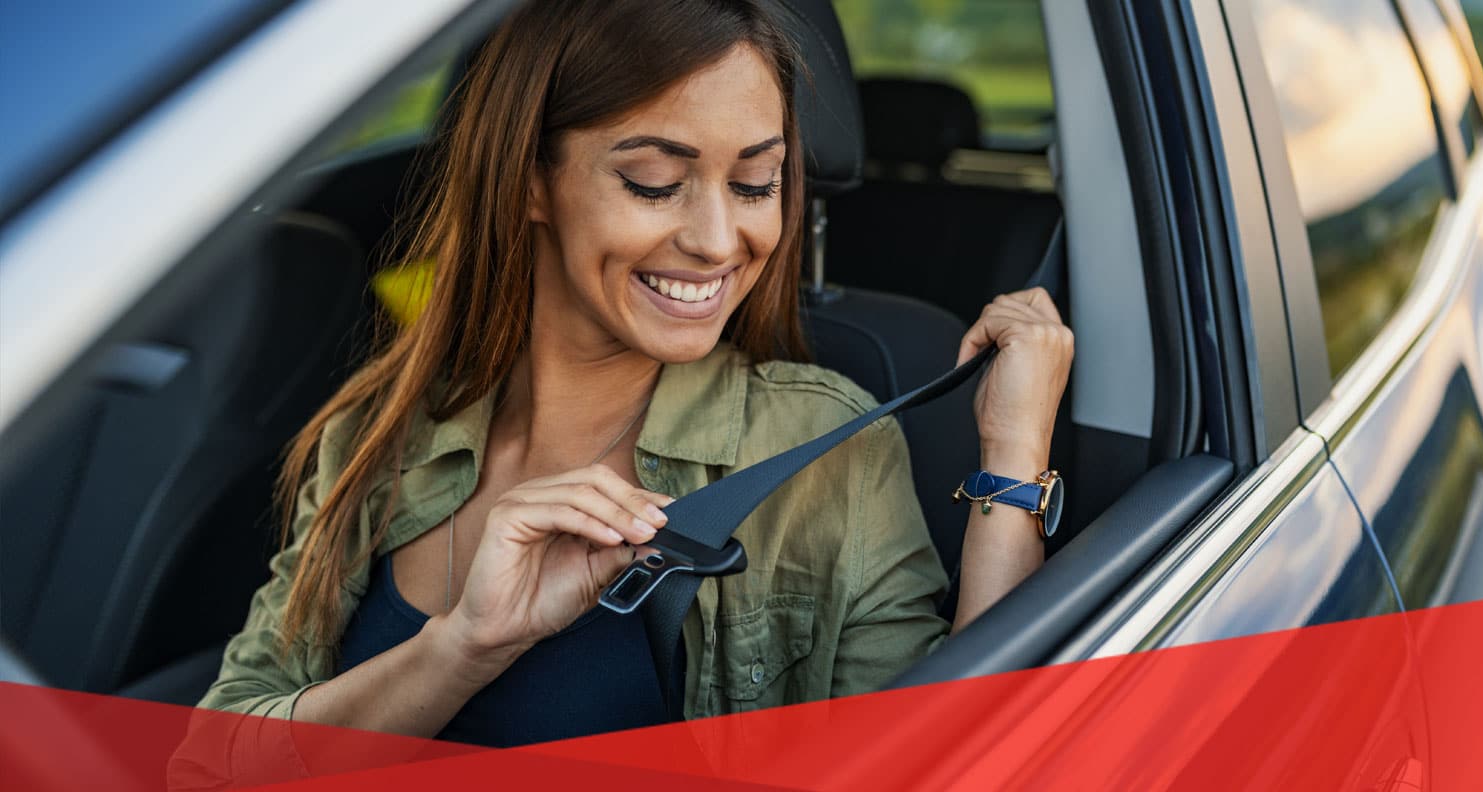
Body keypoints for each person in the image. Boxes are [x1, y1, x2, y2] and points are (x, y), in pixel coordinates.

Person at [195, 0, 1073, 751]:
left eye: (757, 183)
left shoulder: (816, 446)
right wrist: (461, 648)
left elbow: (955, 754)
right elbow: (212, 762)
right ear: (528, 181)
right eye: (655, 182)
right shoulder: (377, 434)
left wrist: (1012, 459)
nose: (719, 240)